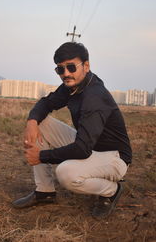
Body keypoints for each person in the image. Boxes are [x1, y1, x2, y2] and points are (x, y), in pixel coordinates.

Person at [12, 42, 132, 218]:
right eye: (60, 69)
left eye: (70, 67)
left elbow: (82, 149)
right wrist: (31, 121)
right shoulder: (73, 85)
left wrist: (41, 156)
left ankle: (111, 190)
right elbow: (46, 103)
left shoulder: (94, 96)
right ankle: (44, 192)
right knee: (41, 122)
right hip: (91, 146)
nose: (66, 74)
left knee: (66, 173)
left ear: (86, 65)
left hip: (113, 157)